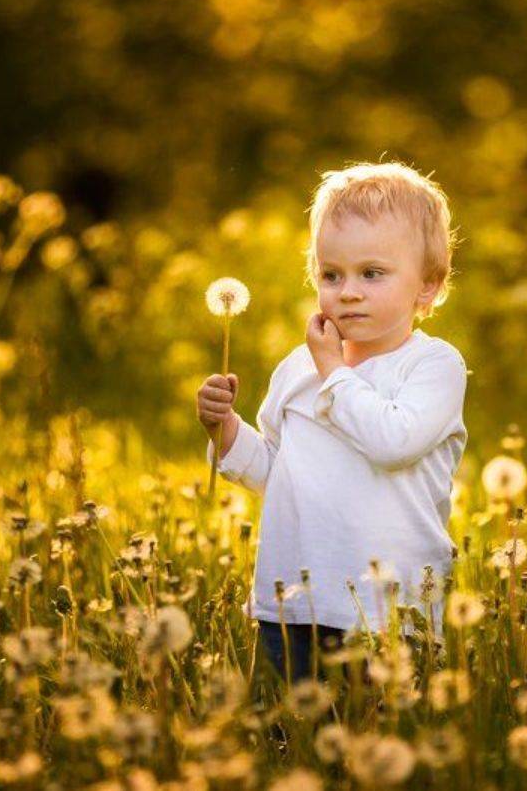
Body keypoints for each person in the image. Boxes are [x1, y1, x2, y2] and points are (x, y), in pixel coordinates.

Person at [195, 161, 468, 686]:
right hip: (291, 600)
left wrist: (332, 371)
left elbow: (393, 442)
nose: (347, 291)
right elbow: (277, 475)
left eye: (372, 273)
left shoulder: (433, 367)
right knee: (285, 741)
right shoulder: (298, 369)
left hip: (386, 610)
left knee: (377, 741)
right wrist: (225, 431)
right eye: (331, 274)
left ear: (427, 287)